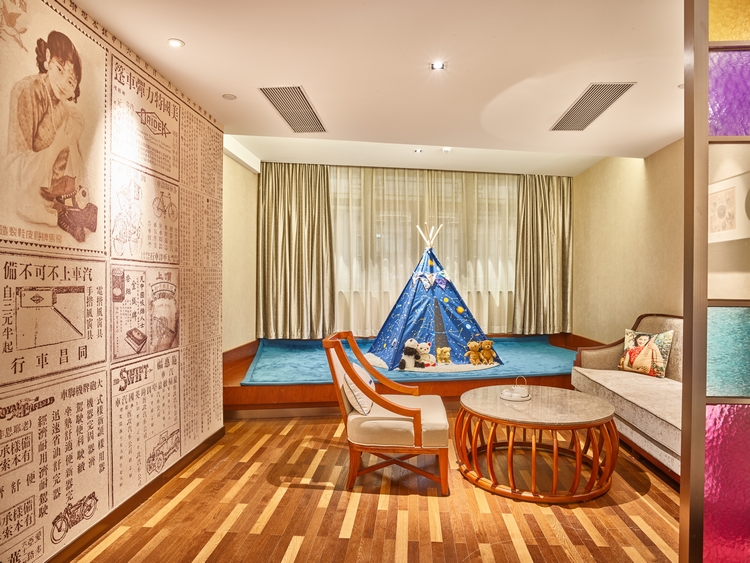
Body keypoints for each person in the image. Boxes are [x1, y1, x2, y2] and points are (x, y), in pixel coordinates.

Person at [3, 30, 97, 241]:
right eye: (59, 70)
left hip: (55, 200)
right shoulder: (26, 90)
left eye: (71, 82)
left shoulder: (68, 113)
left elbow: (78, 171)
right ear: (47, 59)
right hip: (29, 200)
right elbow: (12, 170)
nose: (63, 83)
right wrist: (56, 146)